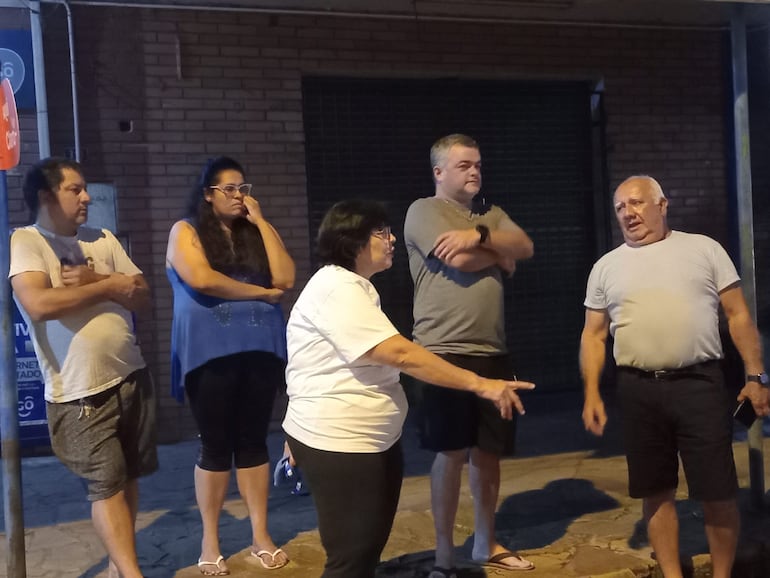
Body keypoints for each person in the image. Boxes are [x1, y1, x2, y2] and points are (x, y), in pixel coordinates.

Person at [282, 199, 535, 578]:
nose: (392, 239)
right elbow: (400, 353)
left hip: (363, 440)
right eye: (381, 232)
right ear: (353, 241)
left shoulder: (353, 287)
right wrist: (481, 384)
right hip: (340, 442)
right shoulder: (337, 288)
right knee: (351, 556)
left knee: (364, 550)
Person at [580, 175, 770, 578]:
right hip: (637, 390)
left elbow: (738, 316)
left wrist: (756, 376)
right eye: (620, 207)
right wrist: (592, 392)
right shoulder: (605, 267)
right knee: (654, 491)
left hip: (698, 385)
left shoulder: (703, 249)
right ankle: (671, 574)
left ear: (661, 205)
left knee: (718, 490)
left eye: (636, 203)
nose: (627, 213)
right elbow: (593, 335)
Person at [9, 157, 158, 578]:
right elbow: (39, 304)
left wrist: (98, 281)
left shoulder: (103, 239)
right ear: (45, 196)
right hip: (78, 391)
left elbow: (142, 294)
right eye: (75, 189)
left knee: (127, 477)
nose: (87, 197)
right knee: (106, 482)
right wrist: (111, 285)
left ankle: (118, 565)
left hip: (130, 374)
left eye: (85, 188)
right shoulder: (28, 240)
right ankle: (132, 573)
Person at [403, 134, 535, 577]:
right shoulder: (423, 210)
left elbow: (527, 247)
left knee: (489, 452)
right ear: (439, 172)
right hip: (443, 350)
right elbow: (458, 261)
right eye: (464, 165)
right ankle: (443, 556)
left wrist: (479, 236)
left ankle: (485, 542)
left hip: (492, 349)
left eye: (478, 164)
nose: (475, 172)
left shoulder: (489, 214)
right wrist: (500, 254)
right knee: (451, 451)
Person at [166, 156, 295, 575]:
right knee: (216, 444)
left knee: (255, 441)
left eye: (244, 188)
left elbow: (286, 278)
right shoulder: (185, 231)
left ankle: (260, 535)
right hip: (209, 353)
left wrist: (262, 223)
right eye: (230, 189)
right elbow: (202, 279)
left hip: (259, 349)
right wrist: (259, 294)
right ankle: (210, 539)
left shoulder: (254, 232)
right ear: (208, 194)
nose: (240, 196)